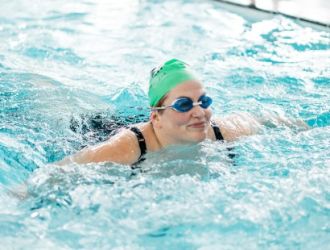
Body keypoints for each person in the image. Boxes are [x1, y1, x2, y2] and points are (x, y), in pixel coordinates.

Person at [58, 59, 307, 166]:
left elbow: (270, 120)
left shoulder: (223, 130)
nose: (200, 114)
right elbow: (59, 171)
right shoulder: (125, 147)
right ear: (155, 116)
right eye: (184, 105)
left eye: (204, 101)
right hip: (101, 130)